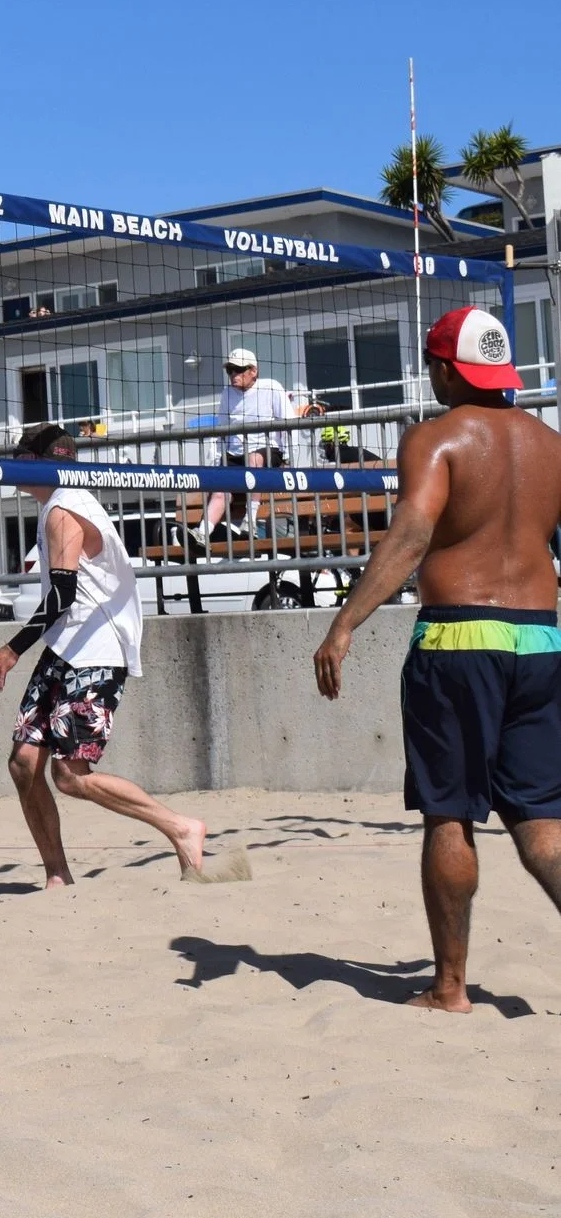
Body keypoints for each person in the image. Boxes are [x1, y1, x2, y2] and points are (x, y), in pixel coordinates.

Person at [312, 306, 561, 1012]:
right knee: (545, 825)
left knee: (449, 815)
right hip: (542, 640)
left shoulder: (434, 438)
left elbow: (413, 532)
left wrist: (344, 623)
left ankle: (450, 988)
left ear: (448, 368)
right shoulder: (552, 444)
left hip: (459, 640)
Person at [0, 424, 214, 884]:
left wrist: (10, 651)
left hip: (95, 651)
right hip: (66, 646)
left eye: (17, 458)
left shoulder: (64, 508)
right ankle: (58, 877)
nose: (9, 467)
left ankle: (182, 828)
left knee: (70, 775)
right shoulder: (59, 502)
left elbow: (62, 594)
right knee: (24, 764)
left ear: (34, 463)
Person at [191, 346, 322, 548]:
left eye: (238, 369)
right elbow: (222, 429)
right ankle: (201, 534)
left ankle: (250, 522)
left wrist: (288, 458)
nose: (233, 375)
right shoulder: (227, 393)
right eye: (230, 370)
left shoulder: (271, 387)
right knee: (220, 491)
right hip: (235, 455)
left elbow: (289, 424)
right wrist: (217, 461)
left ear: (253, 371)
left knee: (254, 459)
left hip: (268, 452)